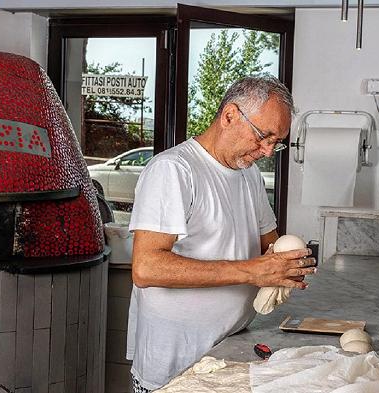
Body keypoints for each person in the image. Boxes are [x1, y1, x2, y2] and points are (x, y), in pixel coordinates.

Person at [126, 76, 316, 392]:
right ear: (229, 116)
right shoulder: (173, 170)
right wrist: (252, 271)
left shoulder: (248, 174)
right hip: (178, 364)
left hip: (230, 350)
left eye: (276, 142)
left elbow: (269, 244)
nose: (268, 151)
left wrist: (287, 264)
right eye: (263, 136)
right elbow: (146, 268)